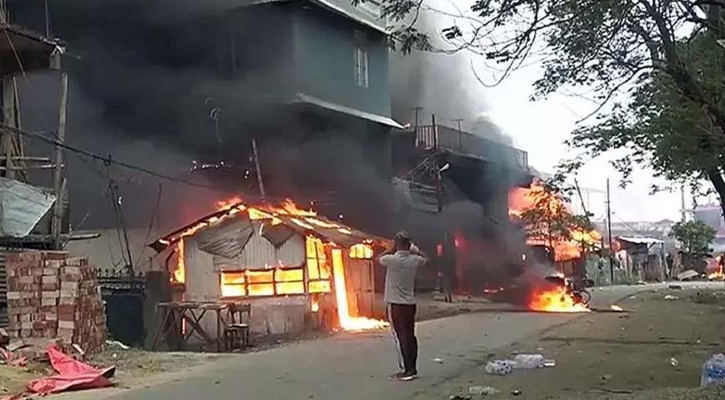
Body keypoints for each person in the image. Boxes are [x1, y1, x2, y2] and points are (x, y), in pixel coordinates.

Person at [378, 231, 427, 381]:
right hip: (410, 305)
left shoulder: (391, 260)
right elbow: (427, 258)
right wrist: (415, 250)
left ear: (397, 244)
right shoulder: (414, 260)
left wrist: (391, 249)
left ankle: (408, 370)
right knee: (410, 336)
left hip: (396, 306)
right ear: (409, 245)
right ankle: (412, 367)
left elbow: (378, 258)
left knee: (402, 337)